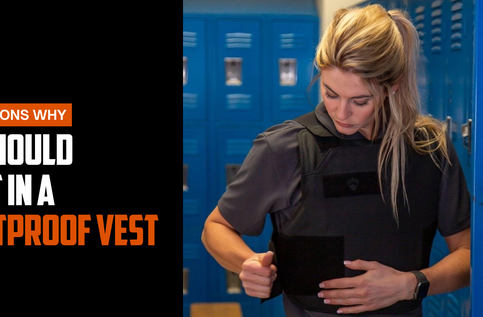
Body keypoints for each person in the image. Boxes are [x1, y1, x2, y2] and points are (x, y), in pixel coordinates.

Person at [201, 4, 471, 317]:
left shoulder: (430, 149)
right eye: (330, 94)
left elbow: (468, 257)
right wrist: (247, 263)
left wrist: (412, 283)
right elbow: (215, 227)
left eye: (359, 101)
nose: (341, 113)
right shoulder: (284, 149)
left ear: (392, 86)